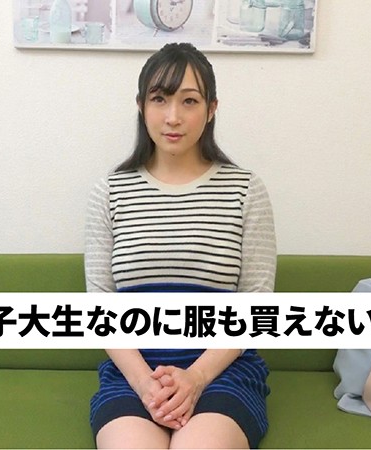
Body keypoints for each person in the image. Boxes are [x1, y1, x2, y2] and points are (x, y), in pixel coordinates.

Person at [84, 42, 277, 449]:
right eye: (159, 99)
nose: (173, 117)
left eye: (189, 101)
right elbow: (101, 308)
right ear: (141, 106)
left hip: (222, 374)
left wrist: (196, 377)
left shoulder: (245, 190)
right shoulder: (110, 192)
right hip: (134, 376)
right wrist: (145, 384)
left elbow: (256, 305)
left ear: (211, 109)